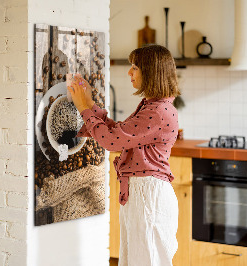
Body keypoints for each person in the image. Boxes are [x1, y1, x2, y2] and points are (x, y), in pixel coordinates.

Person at [68, 44, 181, 266]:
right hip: (142, 194)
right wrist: (90, 104)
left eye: (135, 67)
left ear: (151, 71)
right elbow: (119, 133)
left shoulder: (158, 111)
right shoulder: (153, 106)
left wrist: (83, 108)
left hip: (148, 196)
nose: (129, 72)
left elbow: (111, 141)